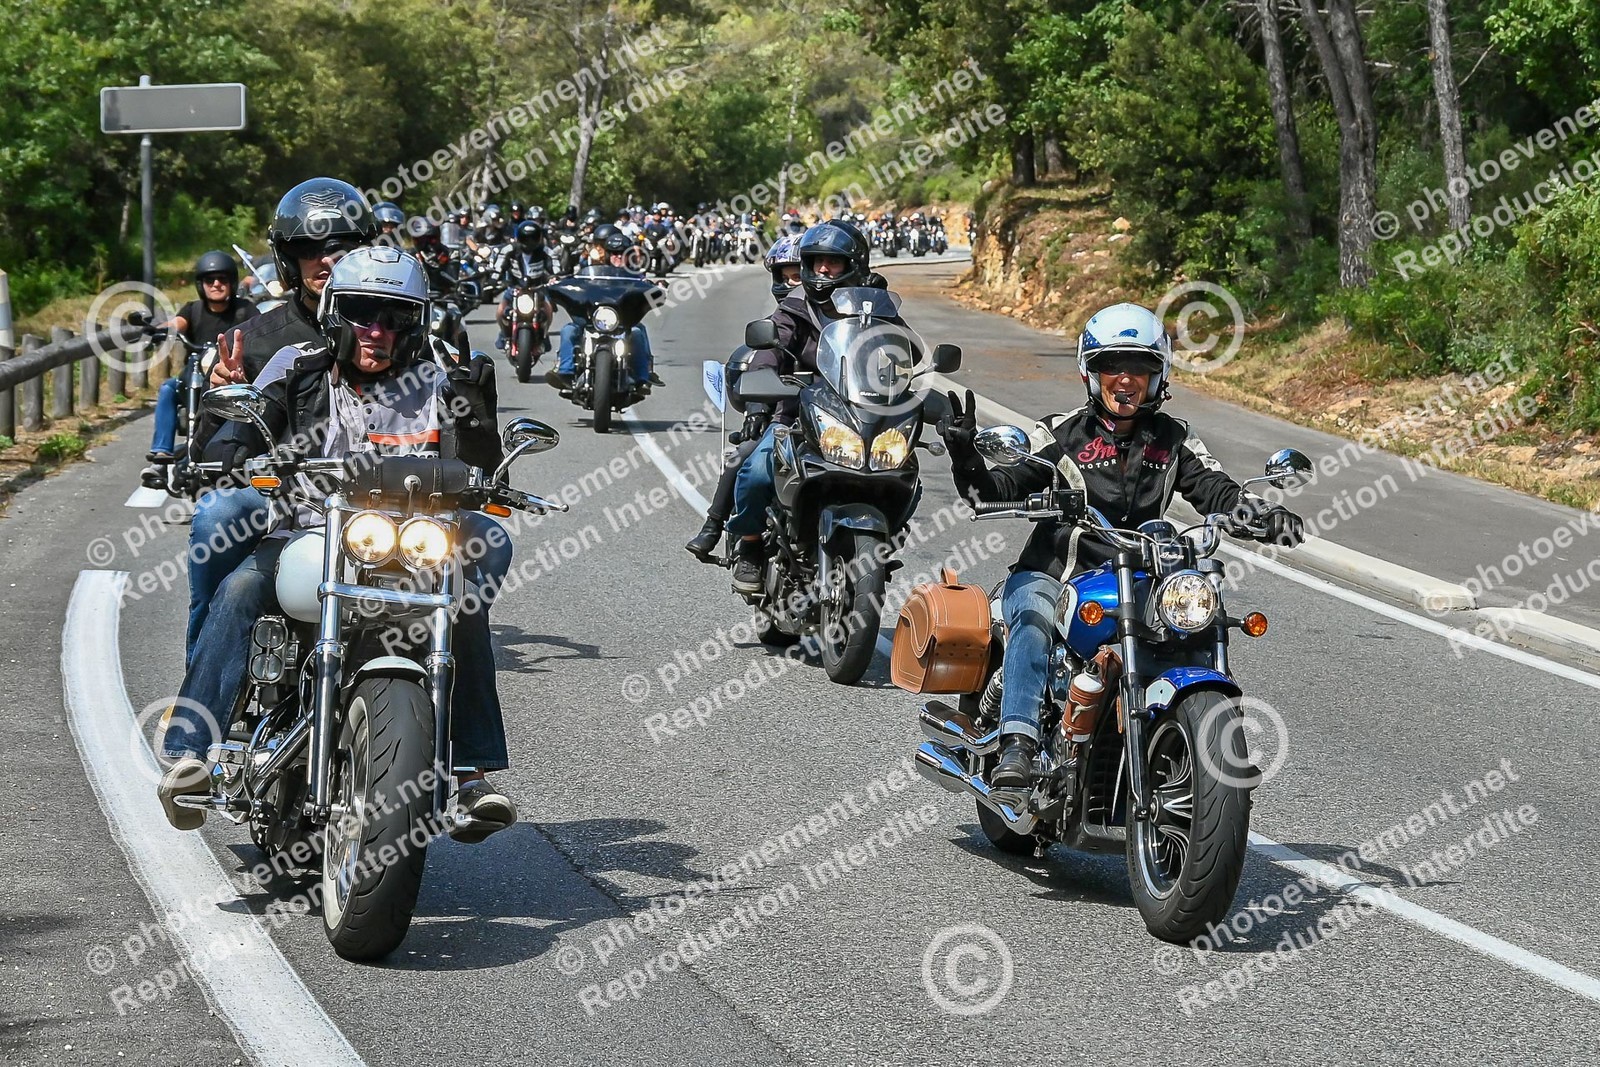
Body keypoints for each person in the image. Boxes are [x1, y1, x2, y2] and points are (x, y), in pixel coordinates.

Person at [157, 245, 517, 841]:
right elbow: (239, 435)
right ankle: (191, 752)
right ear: (334, 313)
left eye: (395, 317)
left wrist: (478, 413)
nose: (378, 330)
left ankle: (471, 774)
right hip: (312, 530)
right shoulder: (297, 366)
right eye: (362, 313)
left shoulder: (440, 374)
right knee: (241, 588)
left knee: (466, 599)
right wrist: (230, 446)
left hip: (417, 542)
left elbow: (479, 468)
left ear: (416, 321)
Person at [937, 302, 1306, 789]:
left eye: (1139, 366)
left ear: (1159, 376)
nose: (1125, 379)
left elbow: (1217, 489)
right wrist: (965, 456)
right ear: (1091, 373)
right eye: (1112, 365)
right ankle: (1018, 744)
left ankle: (1206, 753)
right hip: (1058, 572)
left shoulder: (1175, 439)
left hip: (1144, 576)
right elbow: (995, 490)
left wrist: (1262, 515)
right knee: (1033, 617)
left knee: (1197, 623)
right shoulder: (1060, 433)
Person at [184, 178, 377, 665]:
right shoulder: (253, 340)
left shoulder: (396, 326)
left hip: (382, 495)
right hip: (281, 495)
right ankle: (201, 677)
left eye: (342, 246)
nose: (326, 259)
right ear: (288, 258)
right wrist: (218, 395)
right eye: (309, 248)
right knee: (217, 515)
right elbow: (208, 455)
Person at [723, 220, 909, 591]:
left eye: (833, 262)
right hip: (795, 415)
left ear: (854, 265)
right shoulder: (796, 306)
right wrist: (760, 397)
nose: (823, 269)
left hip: (860, 415)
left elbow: (903, 351)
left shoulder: (874, 307)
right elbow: (771, 349)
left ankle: (881, 538)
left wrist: (920, 392)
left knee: (904, 469)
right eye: (816, 261)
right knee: (757, 471)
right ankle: (751, 545)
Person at [685, 234, 802, 561]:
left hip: (843, 420)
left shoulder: (850, 314)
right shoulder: (787, 318)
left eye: (799, 275)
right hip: (789, 417)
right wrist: (756, 406)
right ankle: (731, 533)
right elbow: (764, 359)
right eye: (788, 276)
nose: (795, 283)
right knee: (749, 462)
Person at [143, 251, 258, 478]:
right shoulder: (193, 309)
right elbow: (177, 324)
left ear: (232, 282)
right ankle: (161, 455)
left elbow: (261, 325)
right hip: (195, 371)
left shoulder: (245, 309)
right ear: (200, 284)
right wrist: (158, 330)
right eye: (209, 280)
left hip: (232, 376)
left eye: (222, 279)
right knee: (168, 388)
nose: (216, 284)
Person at [545, 225, 659, 390]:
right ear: (607, 254)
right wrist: (559, 282)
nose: (617, 257)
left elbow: (645, 286)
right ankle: (565, 372)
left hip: (622, 321)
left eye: (622, 253)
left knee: (637, 332)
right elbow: (576, 280)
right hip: (592, 318)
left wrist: (656, 286)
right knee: (568, 330)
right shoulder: (591, 271)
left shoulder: (634, 275)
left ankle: (643, 378)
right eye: (613, 253)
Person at [496, 218, 555, 351]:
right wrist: (494, 278)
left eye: (533, 238)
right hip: (514, 289)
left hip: (537, 289)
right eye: (526, 238)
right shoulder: (509, 250)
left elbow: (555, 266)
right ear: (519, 238)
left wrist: (555, 277)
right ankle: (505, 336)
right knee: (500, 311)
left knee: (548, 310)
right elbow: (499, 266)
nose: (529, 242)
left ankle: (544, 335)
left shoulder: (545, 251)